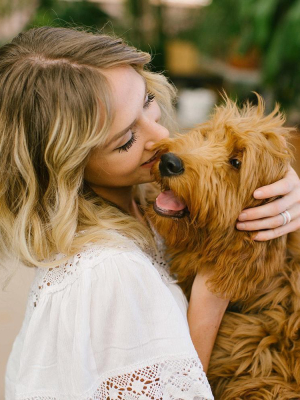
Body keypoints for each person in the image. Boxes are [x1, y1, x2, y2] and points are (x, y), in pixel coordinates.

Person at [1, 27, 300, 400]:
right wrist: (212, 294)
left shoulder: (140, 198)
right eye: (126, 139)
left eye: (148, 100)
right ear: (67, 166)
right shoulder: (107, 274)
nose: (160, 138)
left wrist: (277, 187)